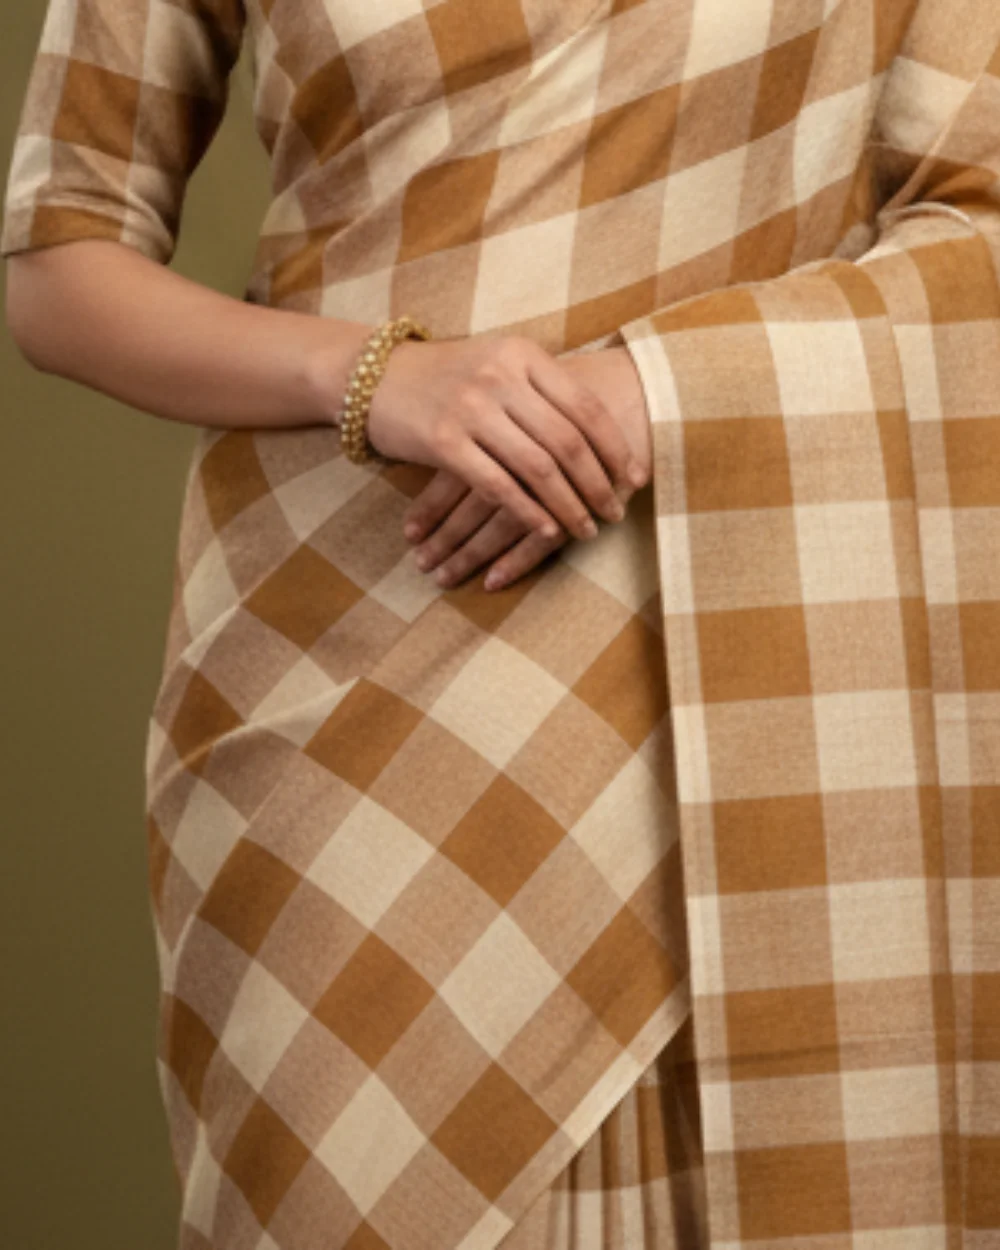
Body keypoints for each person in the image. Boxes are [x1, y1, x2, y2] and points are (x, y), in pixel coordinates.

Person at [4, 1, 1000, 1247]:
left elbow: (982, 216)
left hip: (744, 676)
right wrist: (373, 375)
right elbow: (58, 264)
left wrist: (651, 388)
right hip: (342, 685)